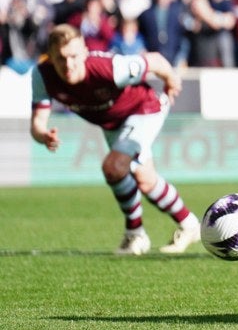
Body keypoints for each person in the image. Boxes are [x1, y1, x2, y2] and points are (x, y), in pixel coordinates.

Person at [30, 24, 202, 256]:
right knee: (145, 180)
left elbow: (156, 61)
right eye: (61, 58)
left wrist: (172, 80)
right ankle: (190, 225)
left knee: (114, 166)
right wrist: (42, 135)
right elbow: (37, 122)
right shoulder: (42, 75)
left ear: (84, 51)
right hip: (112, 124)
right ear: (50, 56)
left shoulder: (107, 67)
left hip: (144, 109)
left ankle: (135, 235)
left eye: (73, 56)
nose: (68, 64)